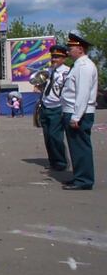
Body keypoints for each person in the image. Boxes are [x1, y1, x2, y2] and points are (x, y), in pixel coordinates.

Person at [60, 33, 98, 191]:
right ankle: (79, 176)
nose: (68, 51)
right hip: (74, 111)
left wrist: (76, 116)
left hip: (79, 113)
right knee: (75, 148)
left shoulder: (84, 67)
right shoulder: (78, 65)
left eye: (71, 48)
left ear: (80, 49)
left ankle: (84, 180)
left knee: (80, 147)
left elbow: (82, 93)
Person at [36, 45, 70, 171]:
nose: (54, 59)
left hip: (57, 106)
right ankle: (53, 161)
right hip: (46, 105)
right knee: (48, 136)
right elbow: (39, 82)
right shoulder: (49, 71)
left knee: (55, 136)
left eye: (57, 57)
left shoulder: (67, 72)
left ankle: (61, 162)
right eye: (53, 56)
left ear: (64, 58)